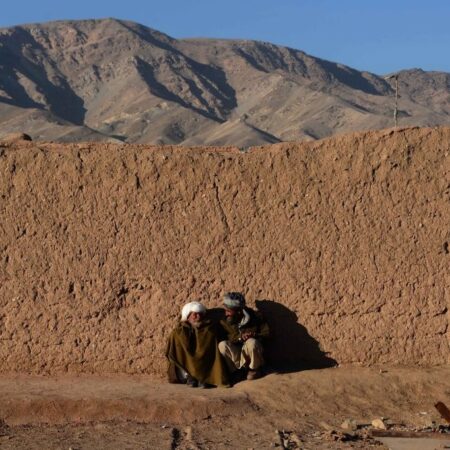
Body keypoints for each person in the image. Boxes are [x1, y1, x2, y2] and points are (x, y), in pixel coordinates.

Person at [166, 301, 230, 388]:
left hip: (207, 367)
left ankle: (205, 378)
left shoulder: (209, 328)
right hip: (186, 367)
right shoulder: (180, 331)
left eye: (200, 314)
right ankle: (190, 375)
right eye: (195, 314)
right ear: (188, 316)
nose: (198, 316)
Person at [218, 292, 270, 380]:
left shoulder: (256, 317)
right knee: (222, 345)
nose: (226, 313)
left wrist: (254, 335)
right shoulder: (224, 321)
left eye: (229, 311)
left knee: (251, 342)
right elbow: (225, 337)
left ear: (238, 311)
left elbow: (267, 334)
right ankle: (236, 371)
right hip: (237, 353)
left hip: (252, 353)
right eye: (225, 310)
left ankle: (254, 369)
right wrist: (239, 337)